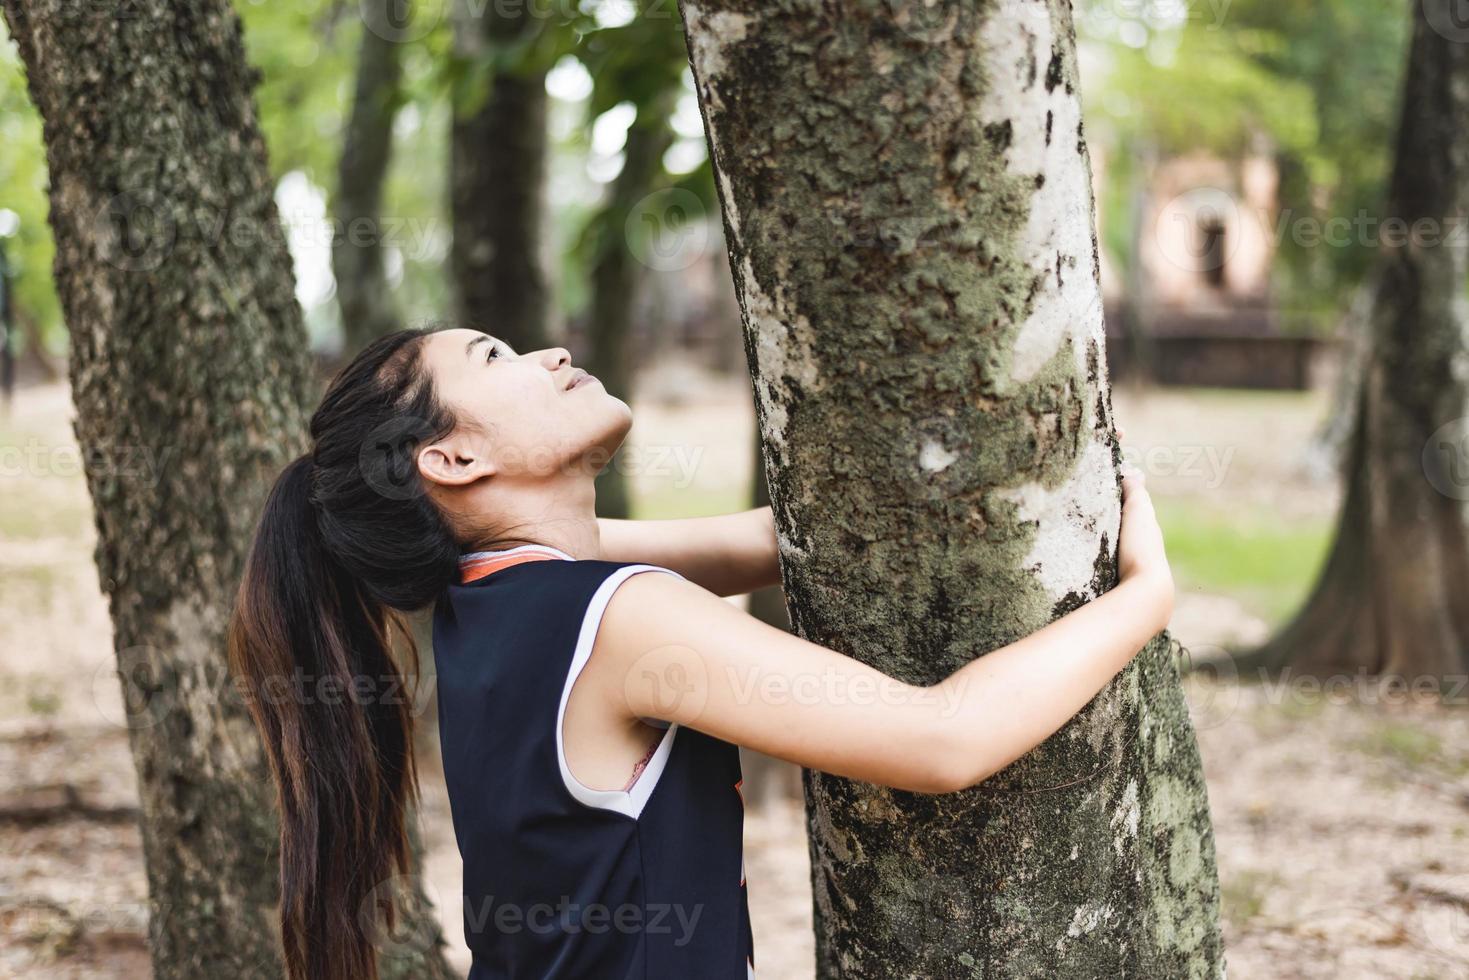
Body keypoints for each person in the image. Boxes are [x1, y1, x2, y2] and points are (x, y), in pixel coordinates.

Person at [228, 326, 1174, 980]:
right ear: (453, 461)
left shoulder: (486, 602)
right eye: (494, 356)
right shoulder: (618, 618)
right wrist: (1145, 599)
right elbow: (941, 741)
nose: (550, 353)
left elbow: (765, 542)